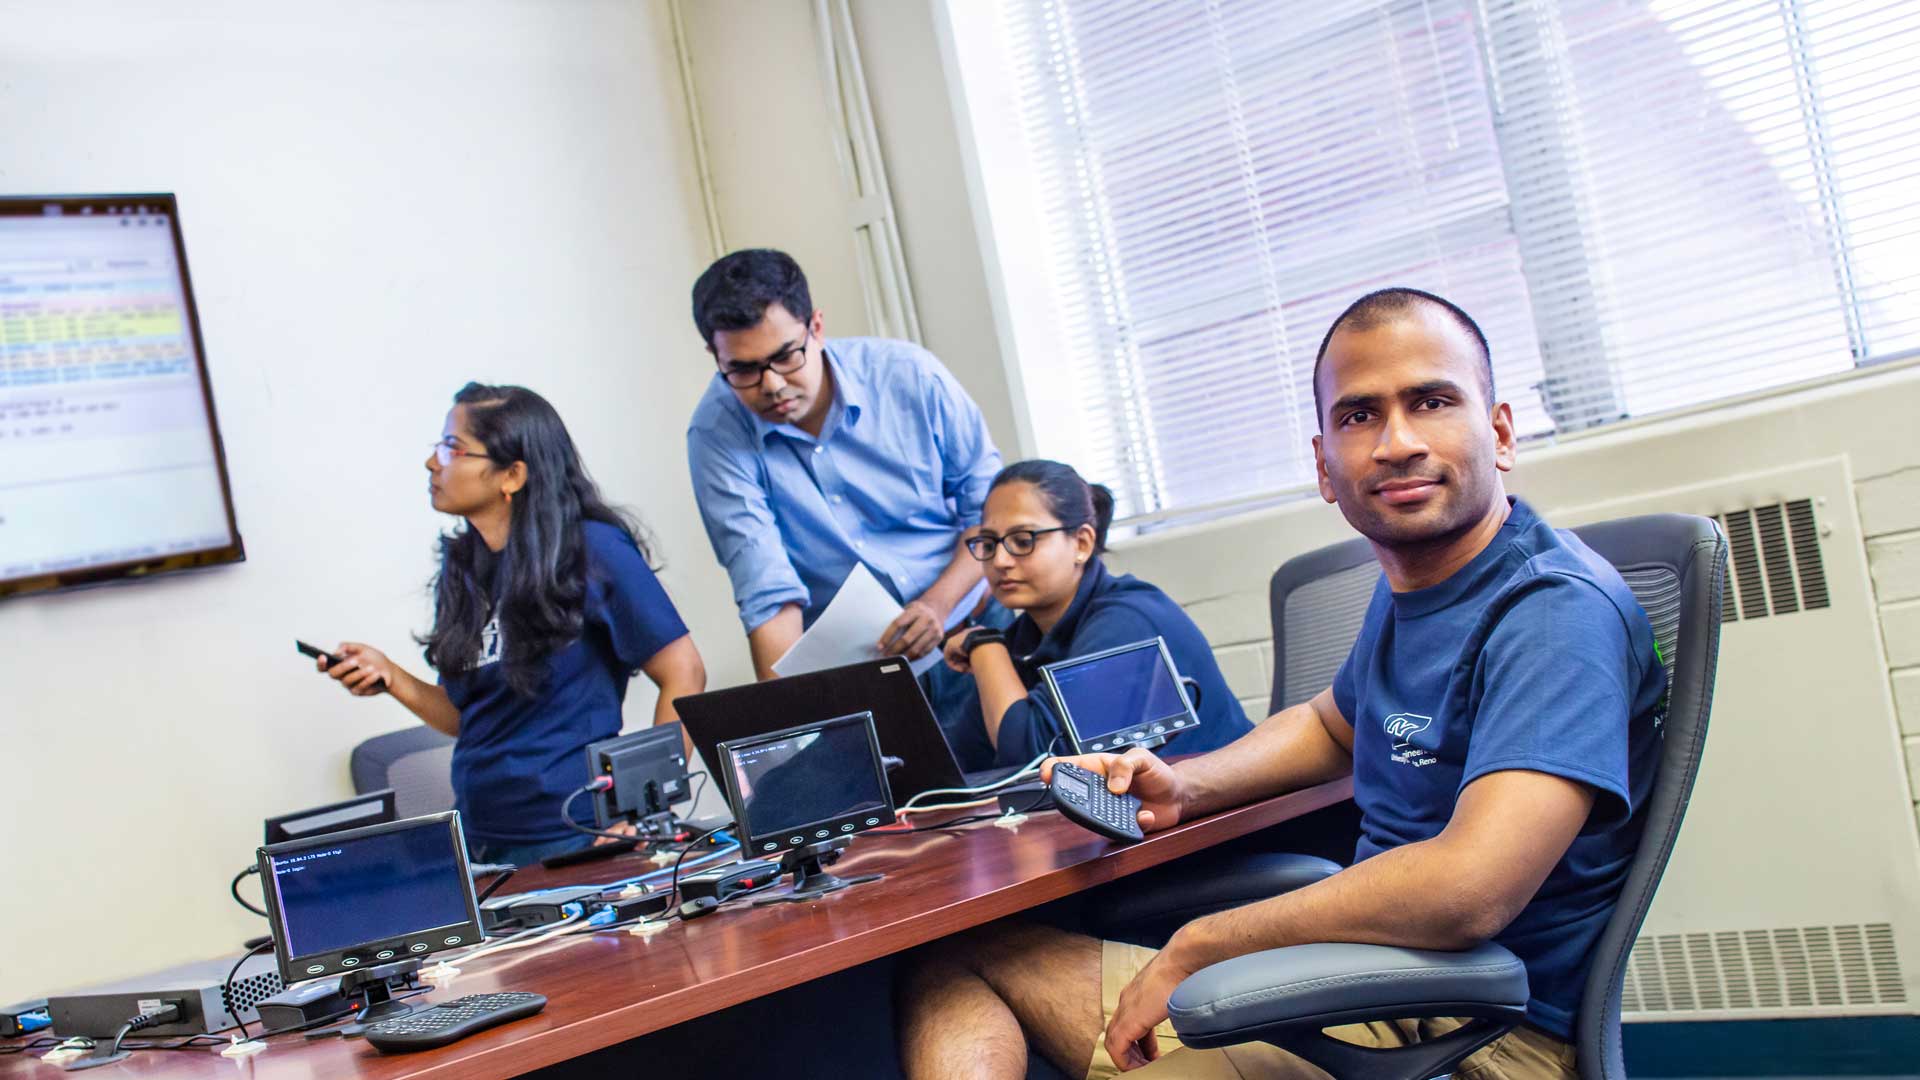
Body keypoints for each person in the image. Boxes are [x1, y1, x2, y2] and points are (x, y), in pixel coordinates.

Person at [897, 289, 1666, 1080]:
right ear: (1325, 466)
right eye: (1360, 416)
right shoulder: (1421, 587)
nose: (1397, 442)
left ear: (1499, 433)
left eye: (1432, 401)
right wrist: (1185, 786)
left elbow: (1471, 890)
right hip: (1360, 991)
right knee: (956, 961)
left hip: (1475, 1043)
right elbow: (1335, 727)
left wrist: (1204, 944)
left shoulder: (1550, 613)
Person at [315, 383, 707, 867]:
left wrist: (646, 810)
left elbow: (684, 672)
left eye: (452, 449)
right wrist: (392, 678)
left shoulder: (594, 551)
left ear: (512, 475)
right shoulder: (464, 566)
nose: (433, 463)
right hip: (481, 841)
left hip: (578, 834)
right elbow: (470, 718)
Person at [685, 249, 1009, 764]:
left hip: (978, 626)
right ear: (715, 357)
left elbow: (992, 518)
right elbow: (768, 592)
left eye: (786, 356)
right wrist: (791, 731)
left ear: (816, 326)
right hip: (861, 675)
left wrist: (938, 604)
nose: (771, 385)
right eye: (742, 370)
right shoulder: (716, 434)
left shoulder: (909, 378)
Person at [943, 460, 1253, 770]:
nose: (1000, 560)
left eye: (1023, 541)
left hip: (1236, 813)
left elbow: (1040, 763)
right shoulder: (1026, 638)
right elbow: (963, 765)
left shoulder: (1127, 623)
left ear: (1081, 543)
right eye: (988, 543)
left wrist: (984, 645)